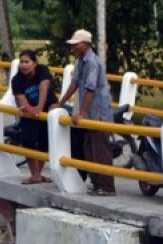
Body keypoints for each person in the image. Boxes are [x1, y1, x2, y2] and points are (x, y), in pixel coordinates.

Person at [51, 29, 115, 196]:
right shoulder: (81, 61)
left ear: (85, 45)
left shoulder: (93, 62)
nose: (72, 48)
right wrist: (60, 103)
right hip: (89, 114)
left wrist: (82, 112)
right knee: (89, 149)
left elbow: (89, 89)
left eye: (75, 45)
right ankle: (96, 184)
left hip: (98, 114)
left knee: (100, 151)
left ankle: (107, 187)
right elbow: (74, 84)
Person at [11, 49, 58, 185]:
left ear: (34, 63)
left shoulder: (42, 70)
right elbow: (22, 101)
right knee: (28, 141)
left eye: (27, 62)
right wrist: (32, 110)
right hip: (30, 114)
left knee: (45, 142)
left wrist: (39, 107)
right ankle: (35, 175)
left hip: (48, 109)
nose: (24, 65)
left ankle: (38, 174)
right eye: (21, 62)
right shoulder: (17, 80)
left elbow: (44, 87)